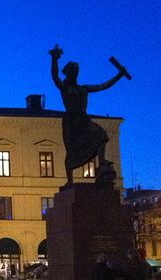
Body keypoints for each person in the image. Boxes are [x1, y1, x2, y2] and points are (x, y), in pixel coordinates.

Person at [49, 44, 128, 184]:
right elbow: (55, 76)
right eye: (74, 71)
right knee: (72, 150)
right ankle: (70, 180)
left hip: (83, 120)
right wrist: (54, 59)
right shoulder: (65, 88)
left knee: (101, 135)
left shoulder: (83, 89)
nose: (76, 74)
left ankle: (102, 160)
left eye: (77, 71)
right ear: (69, 73)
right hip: (71, 122)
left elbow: (103, 86)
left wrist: (119, 76)